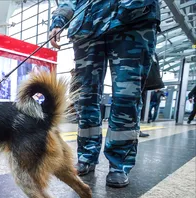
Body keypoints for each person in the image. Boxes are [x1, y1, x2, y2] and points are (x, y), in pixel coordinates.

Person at [49, 0, 160, 188]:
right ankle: (86, 155)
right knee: (85, 97)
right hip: (87, 25)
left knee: (126, 97)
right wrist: (59, 20)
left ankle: (119, 164)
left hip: (132, 19)